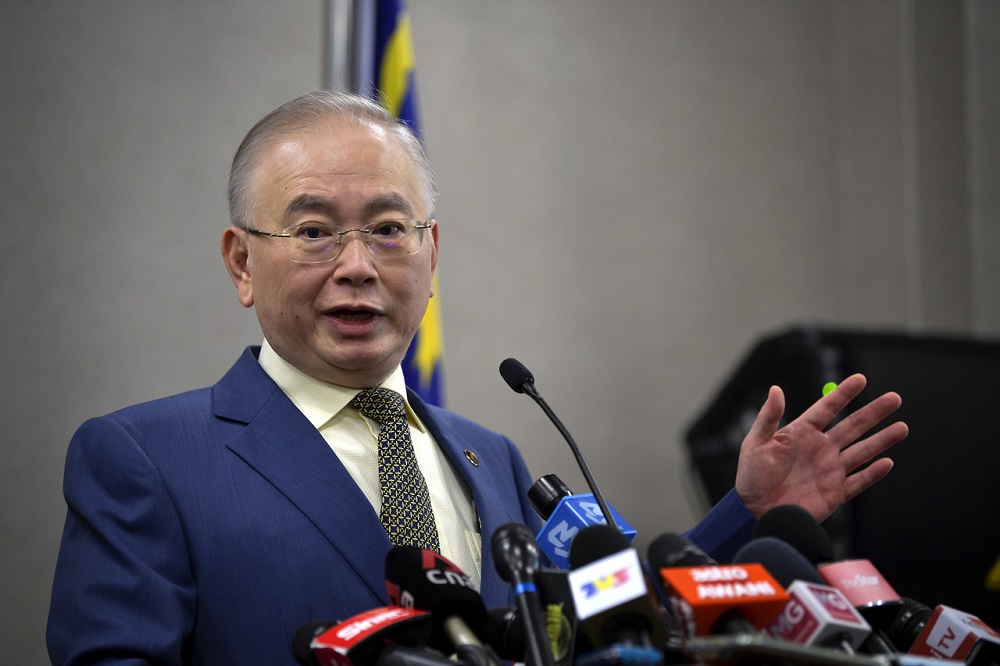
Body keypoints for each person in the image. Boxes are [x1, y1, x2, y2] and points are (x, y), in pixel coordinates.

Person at [46, 90, 908, 665]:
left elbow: (616, 621)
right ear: (241, 263)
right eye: (314, 232)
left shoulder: (492, 455)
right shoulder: (147, 459)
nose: (357, 266)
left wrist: (746, 515)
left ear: (431, 252)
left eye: (389, 229)